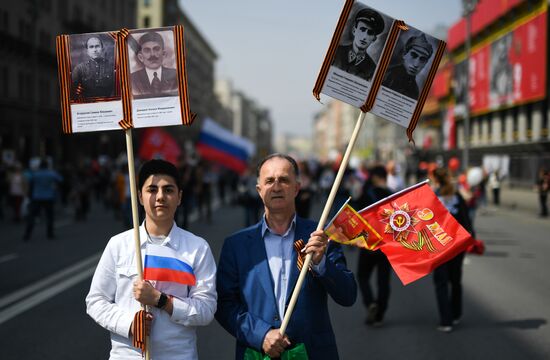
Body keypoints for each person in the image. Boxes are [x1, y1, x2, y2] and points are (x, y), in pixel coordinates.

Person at [216, 153, 357, 359]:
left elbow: (348, 295)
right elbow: (224, 304)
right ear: (259, 190)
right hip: (256, 353)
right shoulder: (236, 245)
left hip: (312, 352)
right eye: (269, 181)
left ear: (297, 188)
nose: (276, 186)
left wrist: (321, 264)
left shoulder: (320, 236)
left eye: (284, 180)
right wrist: (260, 335)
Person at [86, 159, 217, 359]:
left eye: (168, 190)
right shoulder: (119, 244)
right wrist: (129, 324)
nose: (160, 197)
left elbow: (207, 310)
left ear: (180, 197)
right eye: (152, 190)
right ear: (139, 196)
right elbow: (95, 301)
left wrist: (161, 300)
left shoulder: (197, 248)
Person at [429, 167, 475, 333]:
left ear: (435, 180)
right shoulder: (457, 197)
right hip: (457, 245)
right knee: (455, 280)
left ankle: (446, 320)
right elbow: (467, 221)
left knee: (441, 282)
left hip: (439, 247)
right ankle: (456, 314)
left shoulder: (432, 198)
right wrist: (471, 240)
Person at [355, 165, 393, 327]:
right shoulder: (393, 195)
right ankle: (380, 314)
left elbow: (356, 216)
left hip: (369, 241)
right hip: (387, 243)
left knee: (362, 276)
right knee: (383, 280)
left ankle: (370, 302)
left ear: (376, 177)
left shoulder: (366, 193)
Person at [332, 7, 385, 81]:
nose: (364, 37)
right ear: (354, 30)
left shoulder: (372, 69)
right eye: (362, 29)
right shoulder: (335, 51)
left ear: (374, 39)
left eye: (370, 33)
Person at [382, 33, 434, 100]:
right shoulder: (385, 74)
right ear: (404, 54)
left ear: (425, 64)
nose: (416, 64)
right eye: (413, 55)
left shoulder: (415, 90)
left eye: (422, 59)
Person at [23, 160, 63, 241]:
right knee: (49, 216)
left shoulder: (35, 174)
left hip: (37, 196)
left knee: (32, 216)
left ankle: (27, 234)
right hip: (48, 196)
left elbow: (29, 182)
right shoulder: (51, 173)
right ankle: (50, 233)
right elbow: (61, 179)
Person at [131, 31, 178, 97]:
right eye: (147, 50)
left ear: (163, 54)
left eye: (156, 49)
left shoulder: (176, 75)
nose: (152, 54)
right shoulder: (132, 79)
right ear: (140, 57)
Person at [71, 35, 115, 100]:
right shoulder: (79, 69)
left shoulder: (112, 67)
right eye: (91, 47)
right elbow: (73, 93)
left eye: (97, 46)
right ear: (87, 51)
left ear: (102, 48)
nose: (95, 50)